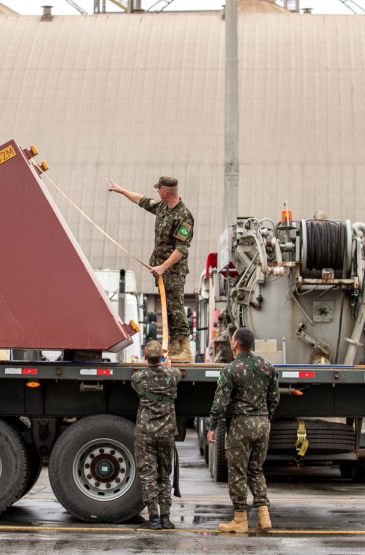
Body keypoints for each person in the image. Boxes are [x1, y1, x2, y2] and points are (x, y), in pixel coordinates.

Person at [108, 176, 194, 362]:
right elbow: (141, 200)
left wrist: (163, 267)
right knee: (168, 309)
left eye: (158, 189)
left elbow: (181, 249)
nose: (156, 192)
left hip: (174, 270)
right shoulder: (163, 207)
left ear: (165, 191)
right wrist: (122, 191)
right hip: (162, 268)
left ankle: (185, 348)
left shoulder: (184, 216)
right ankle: (175, 347)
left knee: (176, 308)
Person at [207, 327, 280, 533]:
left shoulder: (230, 369)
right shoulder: (268, 367)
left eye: (232, 339)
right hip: (262, 423)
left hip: (241, 424)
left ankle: (240, 519)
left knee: (237, 472)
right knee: (256, 469)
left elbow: (220, 403)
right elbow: (274, 398)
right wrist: (267, 418)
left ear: (236, 344)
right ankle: (264, 516)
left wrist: (212, 427)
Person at [131, 340, 181, 530]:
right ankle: (166, 518)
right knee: (164, 476)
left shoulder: (138, 378)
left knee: (148, 476)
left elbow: (137, 379)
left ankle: (153, 519)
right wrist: (166, 364)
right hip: (167, 433)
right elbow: (174, 372)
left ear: (145, 356)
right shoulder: (173, 375)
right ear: (162, 356)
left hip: (146, 433)